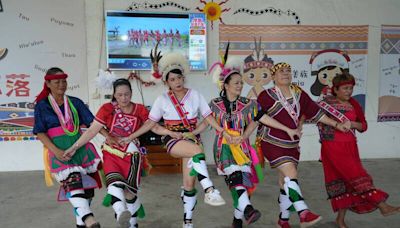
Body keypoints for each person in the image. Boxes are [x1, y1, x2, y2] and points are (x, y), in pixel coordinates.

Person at [196, 49, 301, 228]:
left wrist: (286, 129)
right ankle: (249, 211)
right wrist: (190, 134)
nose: (240, 86)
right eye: (236, 83)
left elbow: (262, 118)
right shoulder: (214, 104)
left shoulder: (249, 103)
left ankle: (239, 217)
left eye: (241, 83)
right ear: (225, 85)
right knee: (235, 177)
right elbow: (205, 123)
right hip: (224, 148)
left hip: (243, 149)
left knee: (244, 185)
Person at [125, 52, 226, 228]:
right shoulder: (162, 99)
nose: (177, 82)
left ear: (183, 77)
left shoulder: (195, 94)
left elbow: (208, 117)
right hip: (173, 140)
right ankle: (209, 189)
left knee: (189, 184)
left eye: (179, 78)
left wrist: (222, 130)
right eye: (172, 79)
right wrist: (131, 137)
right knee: (197, 152)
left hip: (192, 138)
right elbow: (151, 123)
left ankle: (187, 222)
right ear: (166, 82)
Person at [64, 78, 175, 228]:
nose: (124, 98)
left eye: (127, 94)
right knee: (114, 183)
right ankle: (120, 212)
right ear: (114, 95)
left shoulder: (140, 109)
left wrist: (170, 132)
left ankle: (132, 223)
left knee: (129, 193)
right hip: (111, 152)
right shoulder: (106, 109)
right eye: (120, 95)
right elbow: (92, 130)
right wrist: (74, 147)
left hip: (132, 154)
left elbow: (153, 127)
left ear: (132, 93)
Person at [256, 62, 350, 228]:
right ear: (273, 77)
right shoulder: (266, 95)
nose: (286, 73)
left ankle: (283, 220)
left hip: (292, 143)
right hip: (271, 141)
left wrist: (337, 124)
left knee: (285, 180)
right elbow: (260, 117)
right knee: (290, 172)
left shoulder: (299, 94)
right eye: (281, 71)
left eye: (288, 71)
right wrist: (285, 128)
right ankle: (303, 212)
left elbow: (316, 113)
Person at [317, 72, 400, 228]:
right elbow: (313, 116)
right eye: (345, 88)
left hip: (350, 145)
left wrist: (352, 124)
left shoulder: (354, 103)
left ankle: (340, 219)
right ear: (335, 89)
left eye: (351, 88)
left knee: (345, 182)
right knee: (357, 175)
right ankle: (383, 206)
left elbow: (364, 126)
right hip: (332, 146)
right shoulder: (325, 103)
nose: (349, 91)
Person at [33, 67, 102, 228]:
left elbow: (93, 123)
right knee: (73, 181)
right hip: (60, 149)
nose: (62, 85)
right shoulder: (42, 106)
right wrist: (55, 151)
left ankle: (82, 223)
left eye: (64, 81)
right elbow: (40, 132)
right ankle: (90, 219)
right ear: (48, 83)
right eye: (57, 82)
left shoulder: (75, 102)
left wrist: (110, 137)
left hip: (81, 147)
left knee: (87, 193)